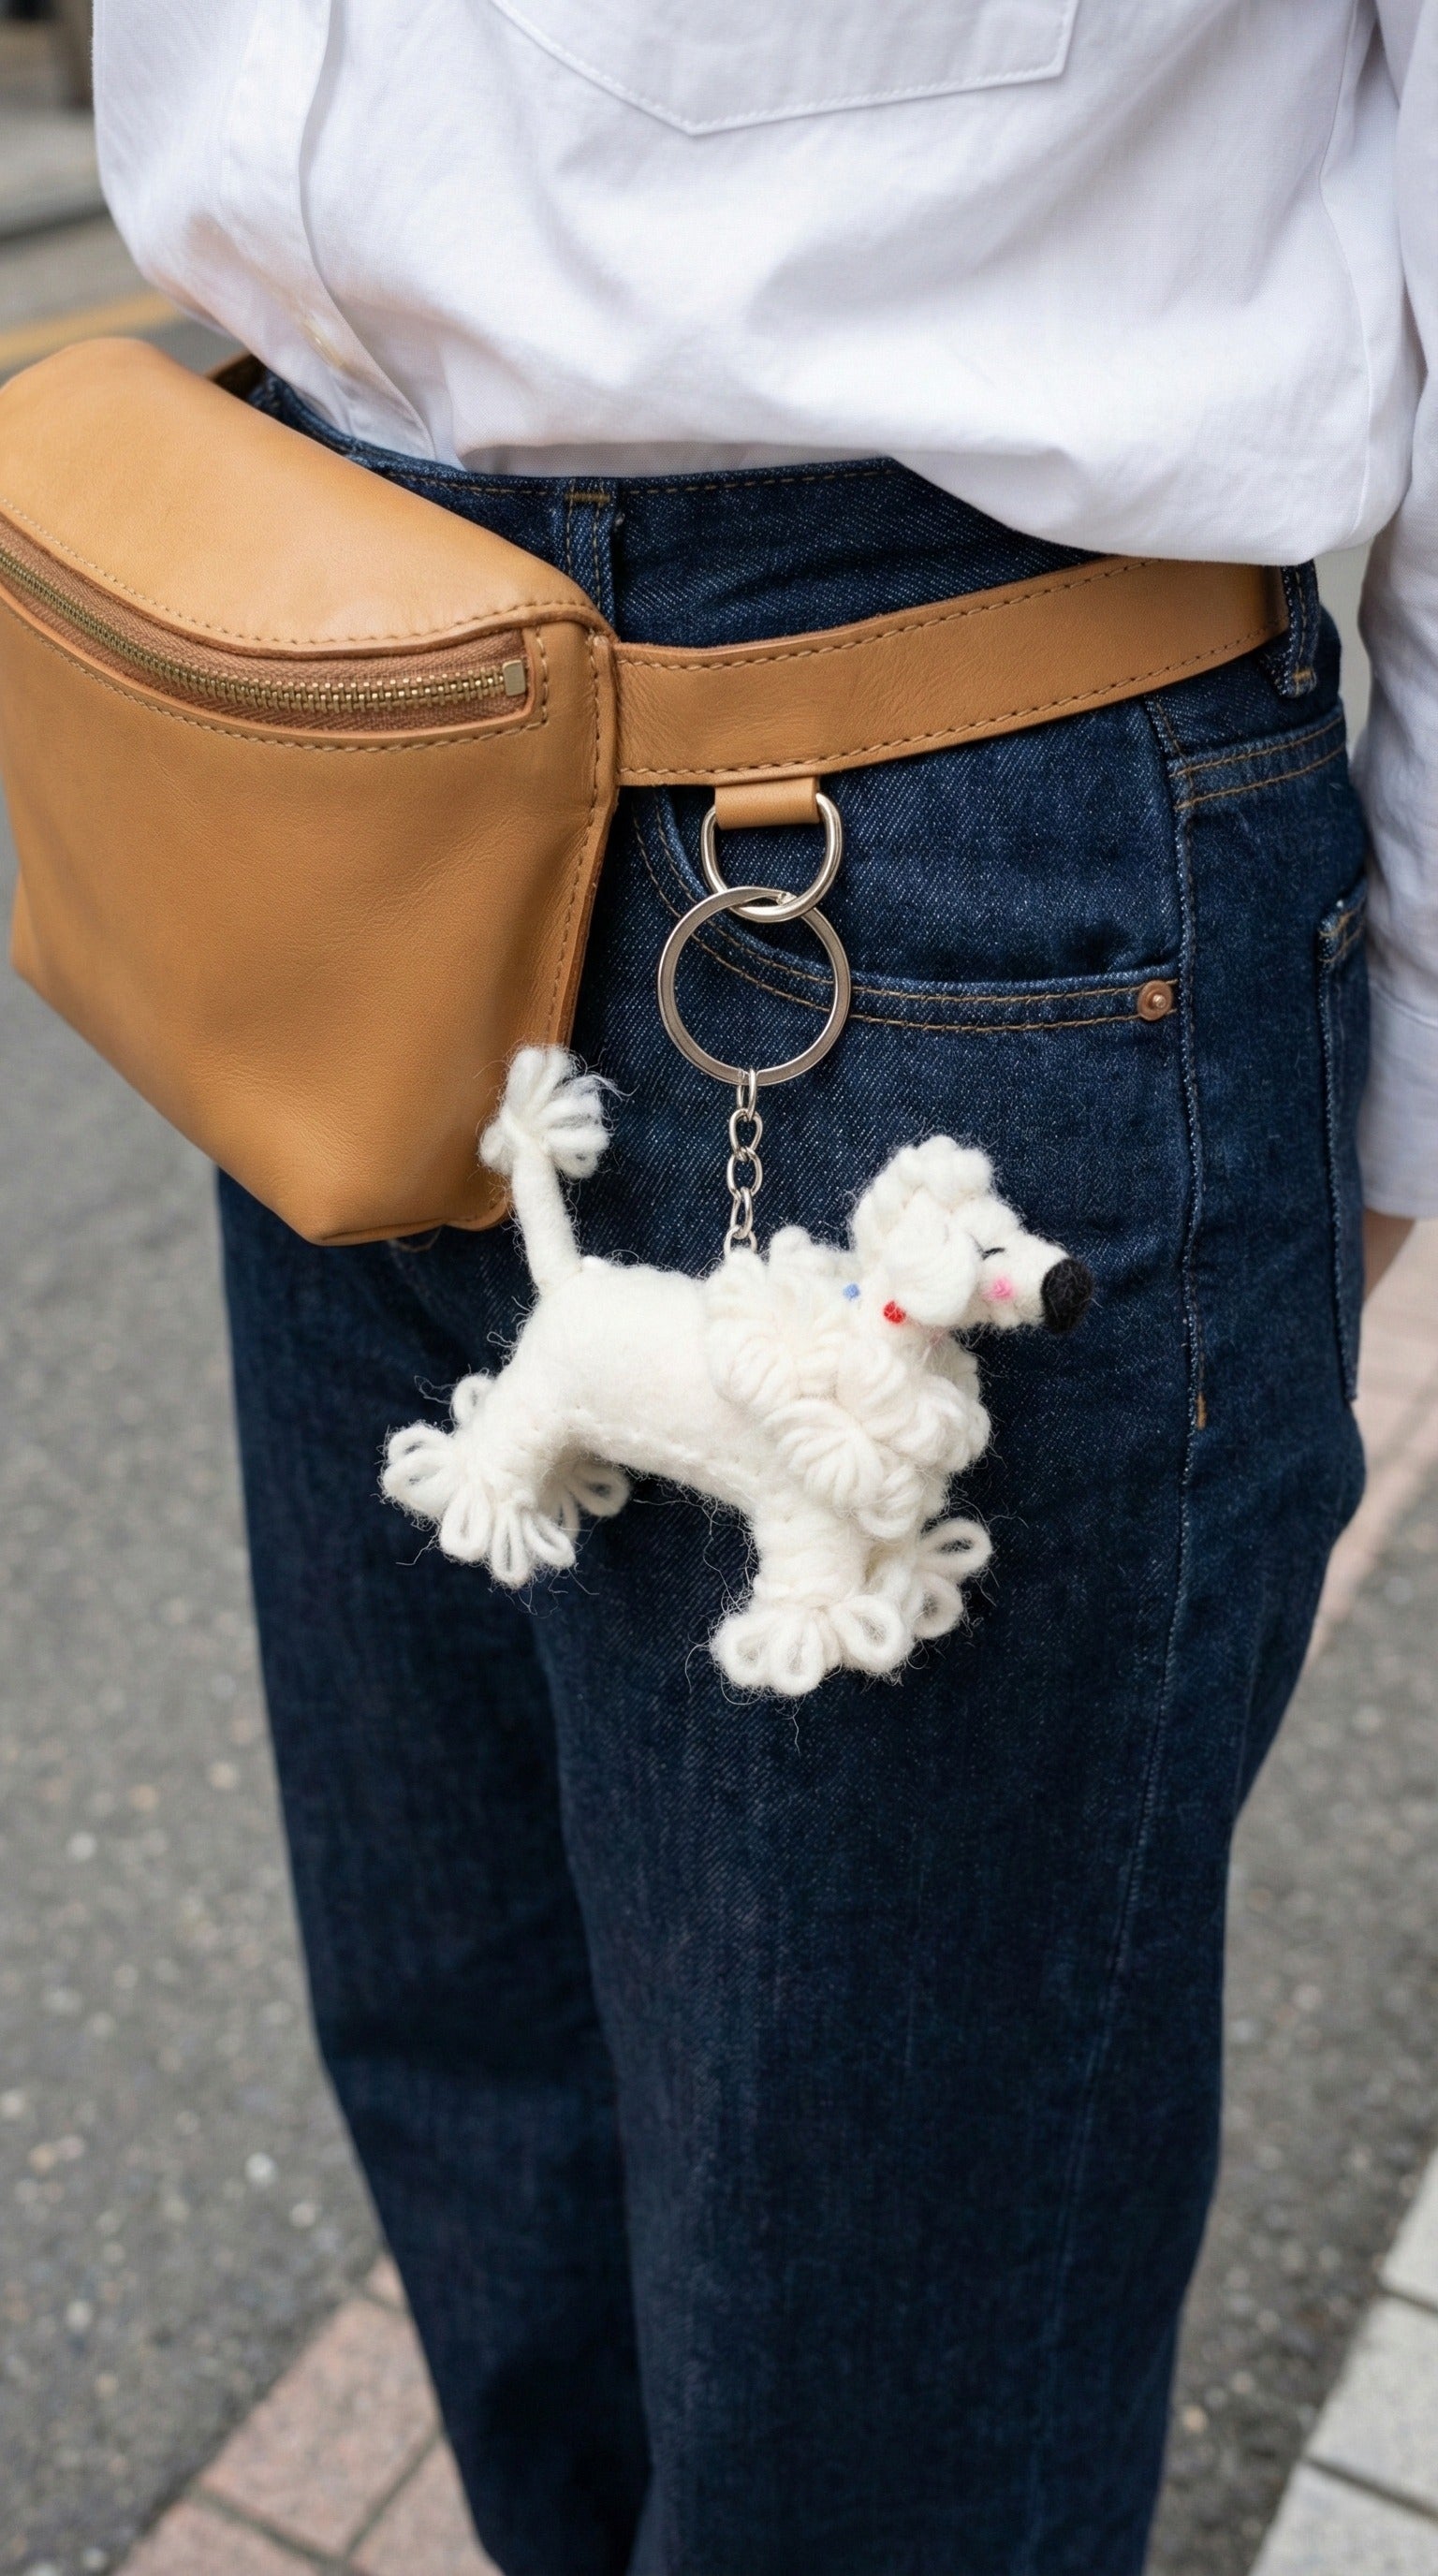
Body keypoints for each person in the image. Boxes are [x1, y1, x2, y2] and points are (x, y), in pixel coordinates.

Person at [95, 7, 1433, 2570]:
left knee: (875, 2379)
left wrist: (1397, 1062)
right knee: (488, 2119)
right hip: (313, 693)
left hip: (939, 785)